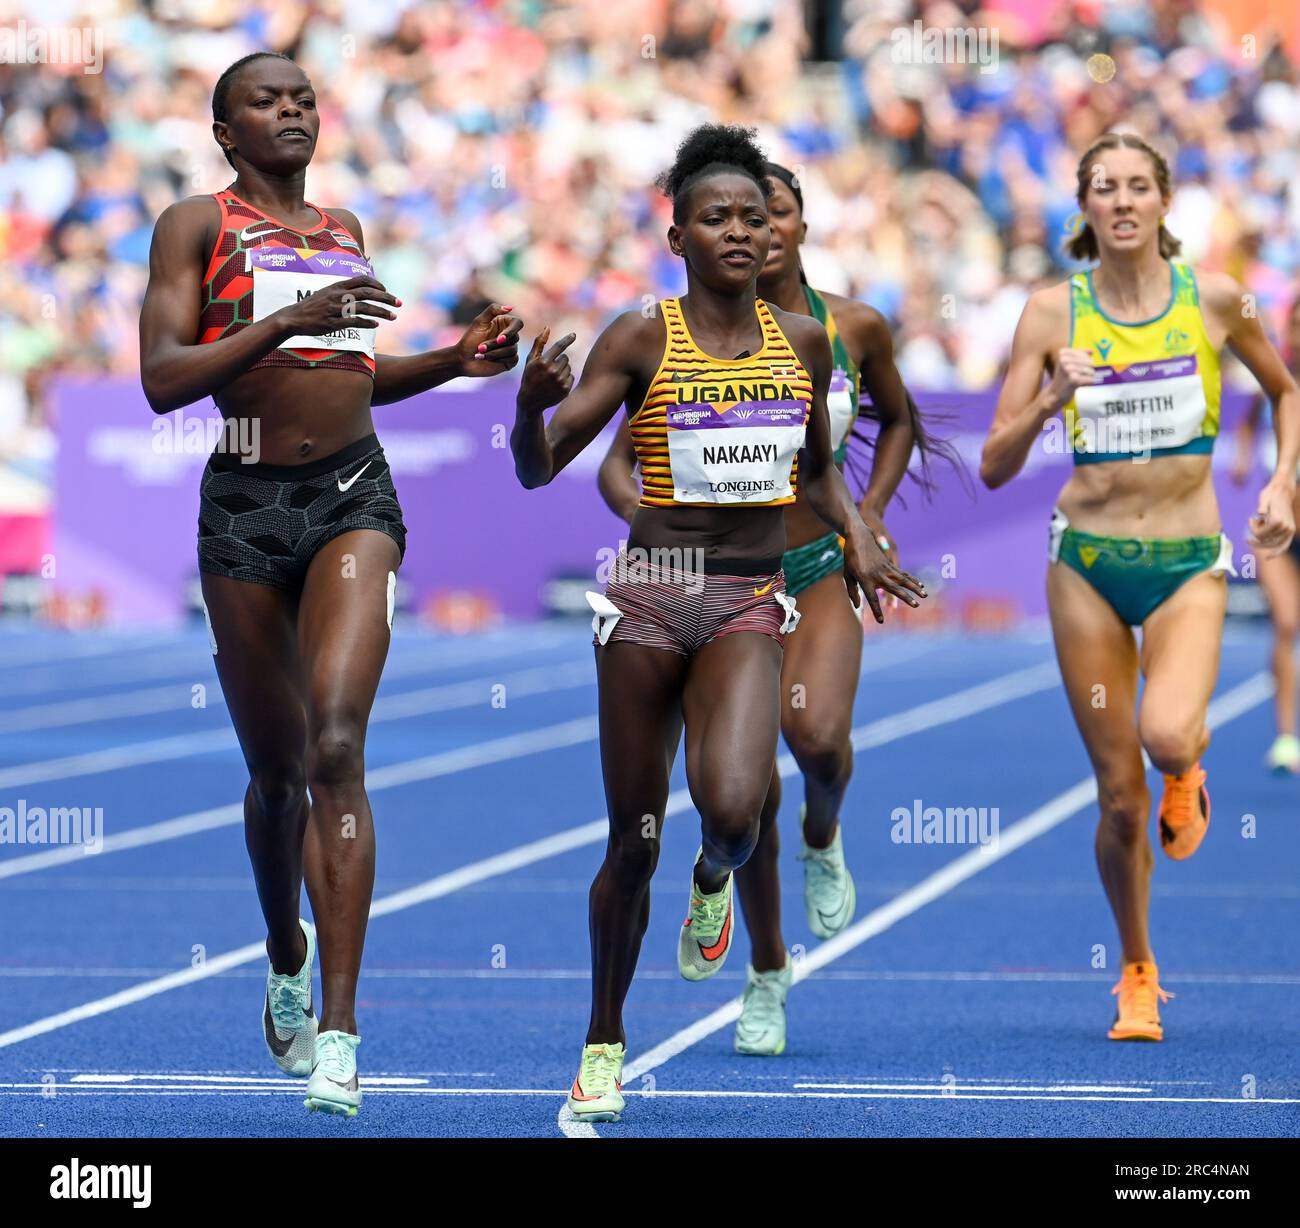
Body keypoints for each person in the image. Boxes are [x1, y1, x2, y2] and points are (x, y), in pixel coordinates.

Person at [511, 124, 926, 1122]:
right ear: (677, 237)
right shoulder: (640, 337)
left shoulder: (811, 342)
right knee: (630, 841)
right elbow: (538, 466)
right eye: (716, 217)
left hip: (747, 595)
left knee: (736, 814)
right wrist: (528, 409)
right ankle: (602, 1042)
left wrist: (859, 535)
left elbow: (816, 471)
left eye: (751, 215)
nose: (740, 232)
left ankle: (717, 873)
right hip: (649, 595)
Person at [138, 51, 521, 1116]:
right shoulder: (194, 225)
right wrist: (275, 325)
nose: (292, 109)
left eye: (303, 96)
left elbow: (349, 375)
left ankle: (343, 1032)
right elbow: (163, 377)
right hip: (244, 512)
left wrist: (452, 361)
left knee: (338, 746)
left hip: (354, 499)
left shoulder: (342, 228)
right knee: (277, 777)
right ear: (226, 131)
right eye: (266, 100)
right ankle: (283, 947)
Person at [980, 131, 1298, 1042]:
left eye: (1136, 187)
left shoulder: (1217, 303)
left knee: (1165, 735)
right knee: (1119, 798)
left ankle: (1188, 767)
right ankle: (1136, 968)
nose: (1121, 202)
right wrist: (1049, 401)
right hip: (1085, 563)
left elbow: (1286, 391)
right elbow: (997, 465)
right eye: (1103, 188)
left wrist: (1281, 484)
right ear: (1084, 207)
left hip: (1188, 560)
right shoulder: (1050, 314)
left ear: (1164, 202)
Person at [1231, 296, 1300, 772]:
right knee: (1287, 624)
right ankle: (1286, 737)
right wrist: (1243, 459)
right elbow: (1250, 423)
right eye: (1294, 325)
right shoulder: (1276, 379)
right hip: (1278, 529)